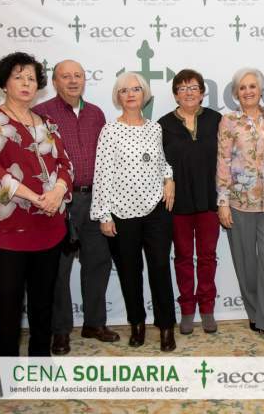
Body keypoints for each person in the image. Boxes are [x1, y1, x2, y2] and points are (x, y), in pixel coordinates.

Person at [0, 51, 73, 356]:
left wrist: (56, 192)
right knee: (8, 303)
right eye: (19, 77)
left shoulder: (48, 123)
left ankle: (40, 362)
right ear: (4, 83)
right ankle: (8, 368)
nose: (26, 83)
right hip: (9, 229)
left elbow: (65, 164)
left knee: (43, 302)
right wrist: (33, 196)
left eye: (31, 78)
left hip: (48, 226)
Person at [33, 60, 119, 355]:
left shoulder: (96, 113)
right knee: (59, 268)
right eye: (65, 76)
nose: (73, 81)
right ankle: (60, 331)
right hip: (60, 202)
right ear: (54, 82)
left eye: (78, 76)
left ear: (84, 79)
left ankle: (94, 323)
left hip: (95, 198)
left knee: (98, 262)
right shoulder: (41, 113)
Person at [91, 72, 177, 352]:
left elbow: (162, 162)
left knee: (160, 268)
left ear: (144, 95)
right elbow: (102, 174)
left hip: (156, 210)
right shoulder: (109, 130)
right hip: (121, 213)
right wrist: (104, 214)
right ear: (118, 97)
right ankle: (137, 324)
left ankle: (166, 326)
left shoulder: (155, 128)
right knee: (130, 272)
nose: (130, 94)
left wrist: (169, 178)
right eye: (124, 90)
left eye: (136, 89)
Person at [217, 67, 264, 342]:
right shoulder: (229, 121)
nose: (247, 91)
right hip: (238, 203)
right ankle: (254, 314)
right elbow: (223, 161)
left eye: (252, 86)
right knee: (246, 265)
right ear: (236, 93)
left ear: (261, 90)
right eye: (242, 87)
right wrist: (222, 202)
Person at [158, 69, 222, 335]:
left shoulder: (216, 120)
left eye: (193, 87)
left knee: (207, 257)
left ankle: (207, 309)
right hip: (178, 204)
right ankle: (186, 310)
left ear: (202, 92)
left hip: (209, 200)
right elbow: (158, 163)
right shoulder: (163, 124)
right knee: (183, 258)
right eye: (182, 88)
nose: (188, 93)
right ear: (175, 94)